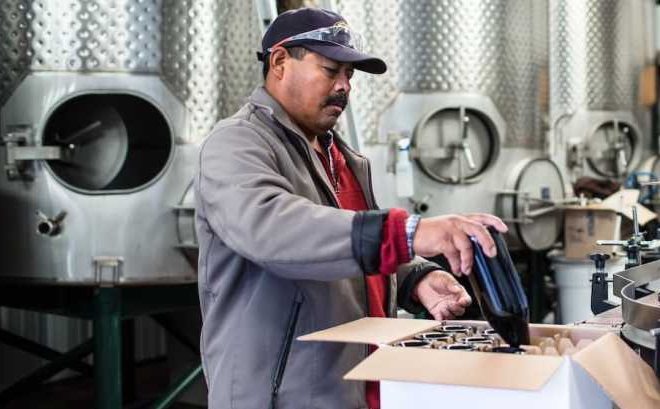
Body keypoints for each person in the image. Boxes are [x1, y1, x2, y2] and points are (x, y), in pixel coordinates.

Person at [194, 8, 508, 409]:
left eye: (349, 75)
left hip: (348, 387)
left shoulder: (342, 158)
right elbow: (273, 230)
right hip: (278, 396)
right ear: (280, 62)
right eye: (331, 70)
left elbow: (350, 247)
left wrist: (414, 278)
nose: (344, 86)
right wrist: (409, 232)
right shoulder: (236, 143)